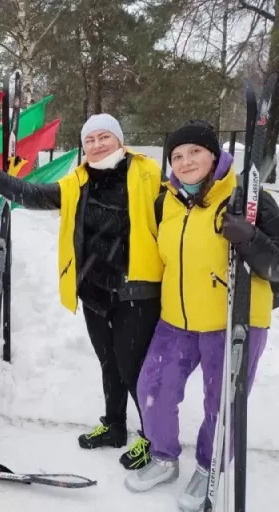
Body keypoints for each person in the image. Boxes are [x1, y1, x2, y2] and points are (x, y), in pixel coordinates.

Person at [0, 113, 163, 470]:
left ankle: (154, 440)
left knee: (135, 370)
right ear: (83, 146)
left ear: (119, 140)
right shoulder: (78, 181)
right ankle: (115, 426)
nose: (98, 144)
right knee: (110, 364)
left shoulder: (147, 173)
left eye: (105, 137)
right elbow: (36, 195)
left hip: (137, 291)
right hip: (95, 291)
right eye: (90, 139)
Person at [125, 121, 278, 510]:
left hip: (233, 320)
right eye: (177, 156)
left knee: (222, 403)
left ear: (214, 155)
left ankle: (209, 468)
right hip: (175, 320)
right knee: (152, 389)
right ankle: (163, 457)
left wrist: (251, 238)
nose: (185, 161)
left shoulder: (249, 197)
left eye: (195, 151)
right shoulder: (167, 201)